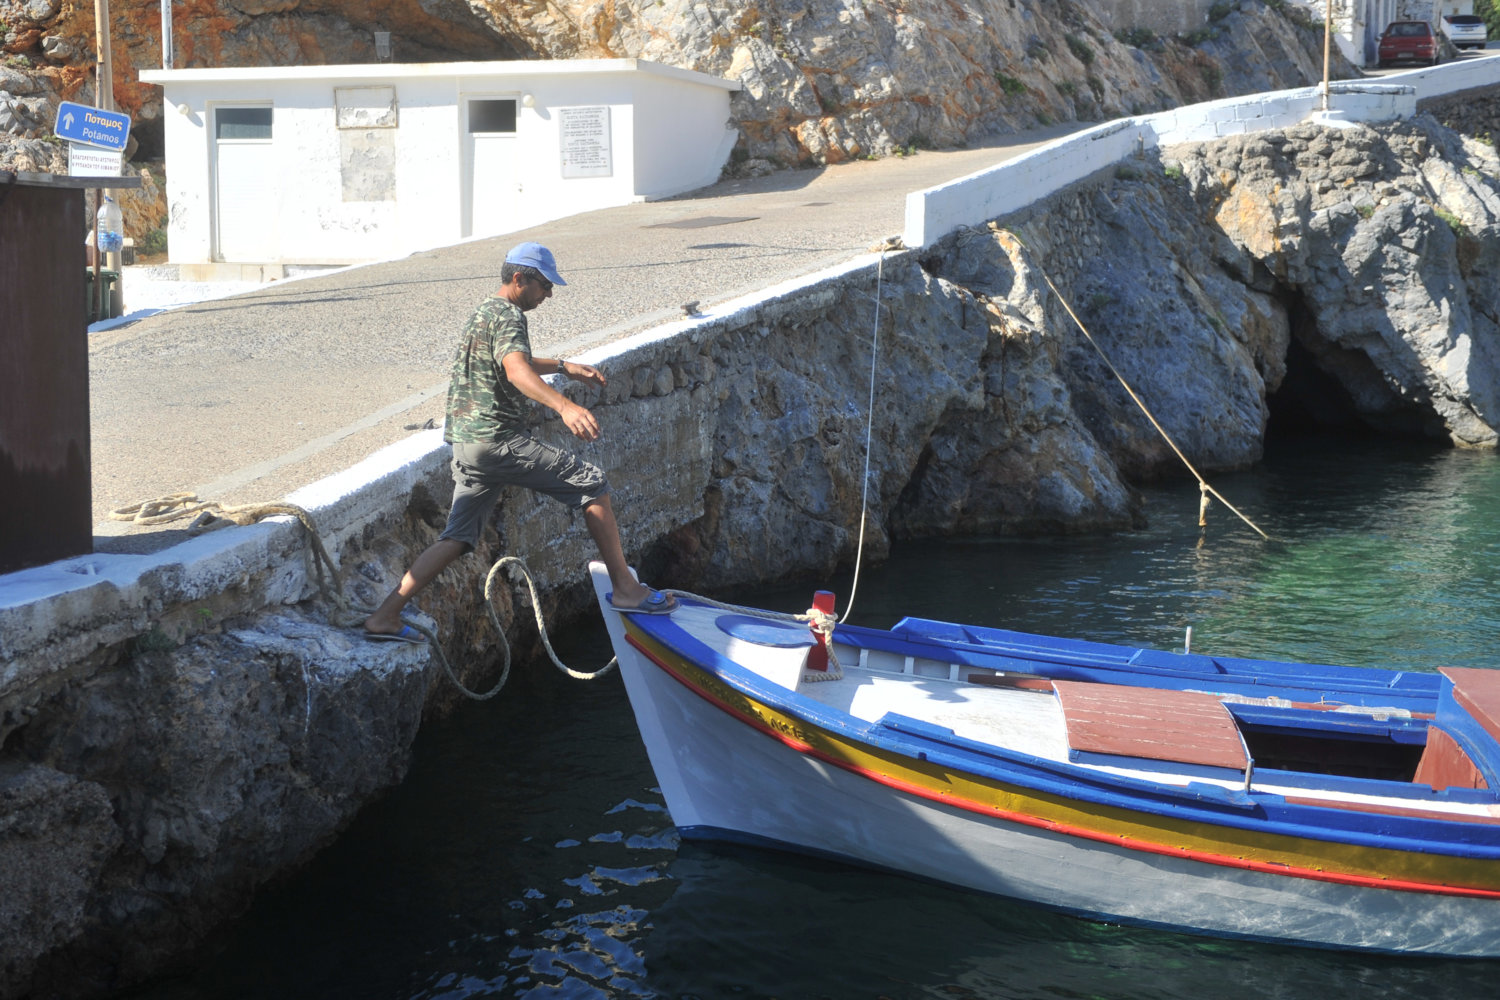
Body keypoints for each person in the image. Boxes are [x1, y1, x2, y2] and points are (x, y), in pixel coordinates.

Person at [363, 241, 676, 643]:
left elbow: (511, 359)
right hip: (497, 440)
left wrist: (564, 366)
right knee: (592, 484)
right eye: (545, 285)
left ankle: (385, 615)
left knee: (458, 537)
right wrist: (564, 406)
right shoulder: (509, 316)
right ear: (518, 279)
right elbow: (515, 371)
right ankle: (627, 589)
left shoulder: (485, 312)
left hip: (468, 444)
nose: (549, 294)